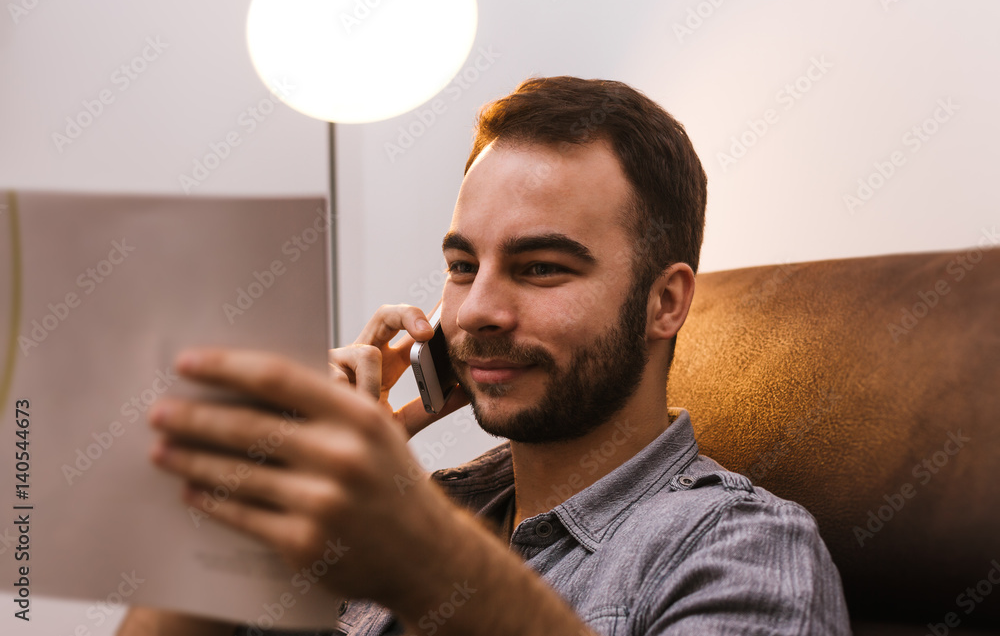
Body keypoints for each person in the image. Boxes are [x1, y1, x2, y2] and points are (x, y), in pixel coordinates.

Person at [117, 76, 851, 635]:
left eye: (540, 268)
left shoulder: (746, 548)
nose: (476, 312)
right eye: (464, 266)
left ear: (665, 302)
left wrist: (430, 560)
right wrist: (248, 491)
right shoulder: (419, 506)